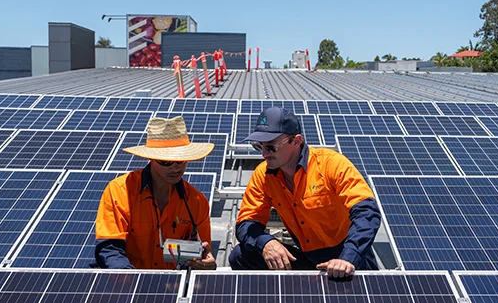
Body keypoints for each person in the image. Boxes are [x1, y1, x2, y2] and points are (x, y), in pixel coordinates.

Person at [230, 107, 381, 278]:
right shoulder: (263, 175)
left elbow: (366, 212)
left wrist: (348, 257)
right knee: (240, 255)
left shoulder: (331, 164)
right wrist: (266, 243)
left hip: (346, 252)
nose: (264, 154)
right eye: (259, 146)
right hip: (308, 257)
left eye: (271, 147)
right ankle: (286, 300)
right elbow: (246, 223)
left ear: (296, 141)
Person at [95, 116, 216, 270]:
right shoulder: (119, 191)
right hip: (126, 282)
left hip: (171, 284)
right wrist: (134, 280)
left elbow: (201, 253)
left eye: (181, 161)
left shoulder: (196, 201)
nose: (175, 168)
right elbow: (109, 248)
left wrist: (206, 265)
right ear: (151, 158)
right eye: (166, 162)